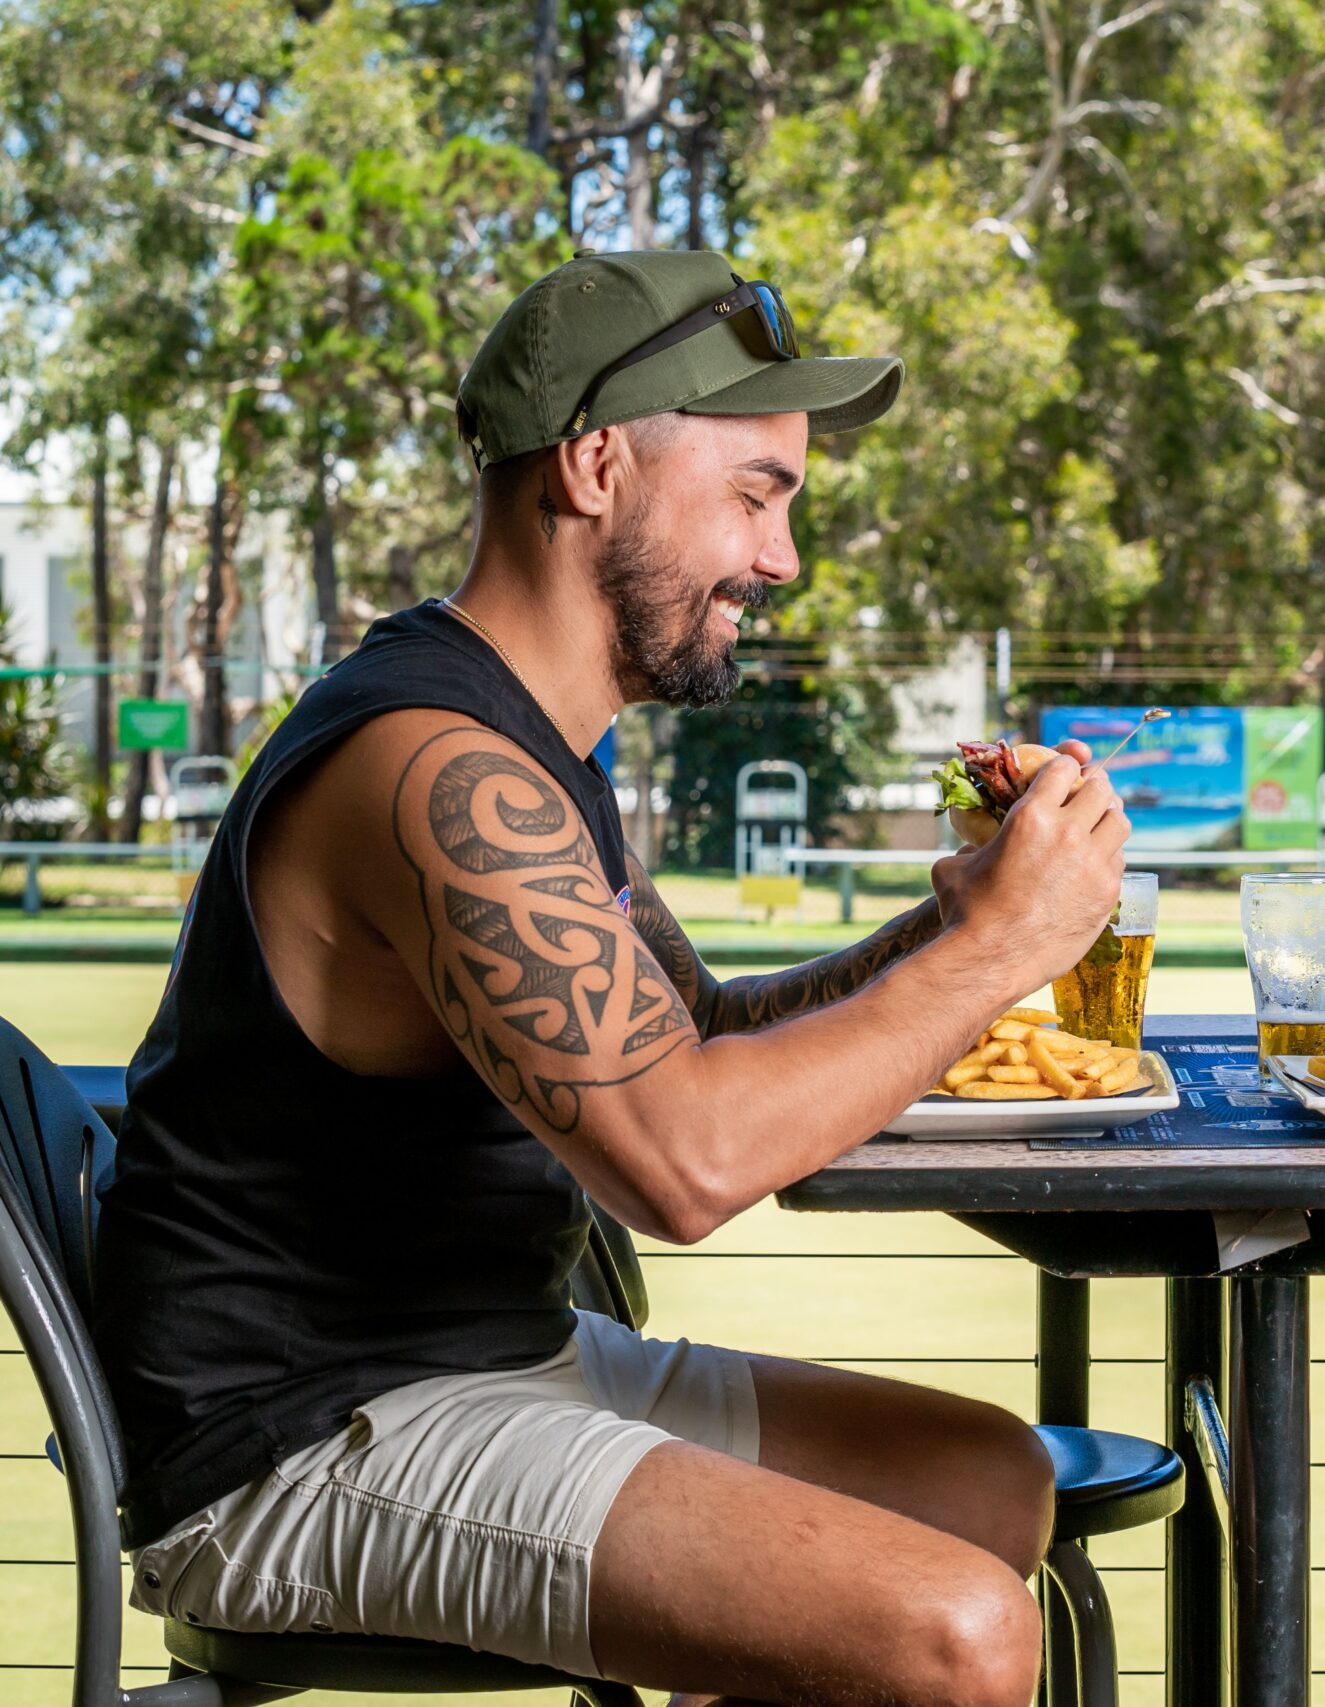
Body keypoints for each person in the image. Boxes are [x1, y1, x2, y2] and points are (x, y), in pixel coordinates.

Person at [94, 250, 1131, 1707]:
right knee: (958, 1632)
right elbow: (684, 1159)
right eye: (755, 496)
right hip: (306, 1437)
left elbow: (689, 1035)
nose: (781, 561)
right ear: (592, 467)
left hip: (492, 1355)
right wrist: (1006, 950)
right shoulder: (438, 770)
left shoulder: (527, 750)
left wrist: (949, 921)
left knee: (984, 1479)